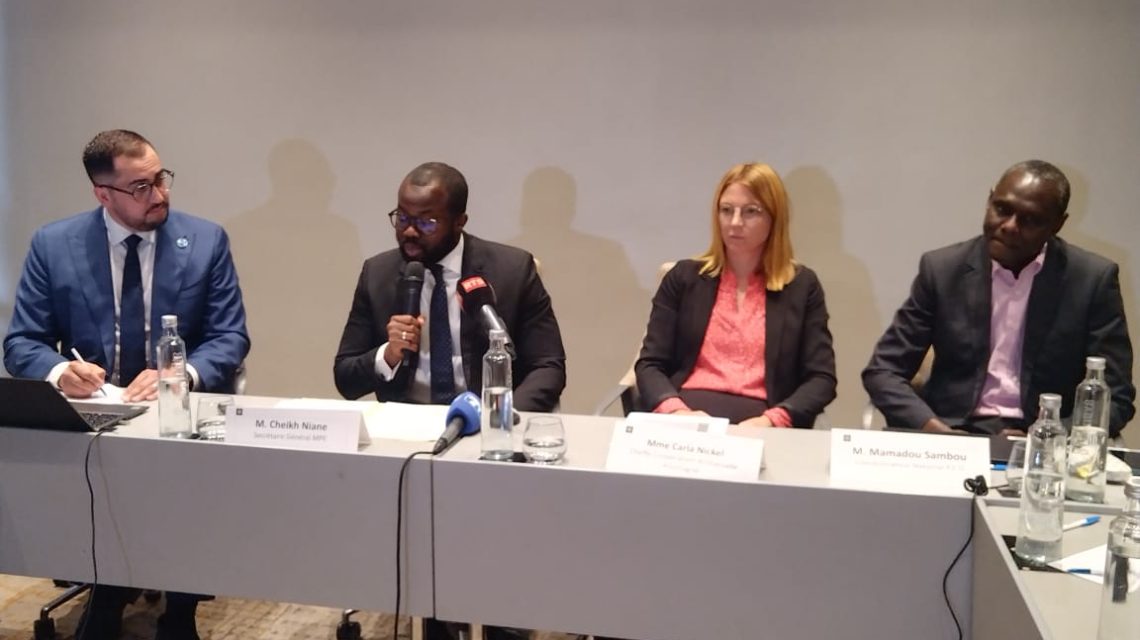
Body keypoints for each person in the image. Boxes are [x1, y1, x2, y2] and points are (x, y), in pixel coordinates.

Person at [3, 129, 250, 639]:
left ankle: (180, 609)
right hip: (100, 413)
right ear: (103, 194)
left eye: (160, 178)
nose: (158, 194)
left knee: (181, 485)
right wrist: (60, 372)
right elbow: (22, 342)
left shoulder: (206, 240)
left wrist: (179, 373)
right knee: (97, 481)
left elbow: (230, 337)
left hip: (181, 413)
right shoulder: (54, 244)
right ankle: (108, 589)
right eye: (140, 187)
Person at [863, 159, 1135, 437]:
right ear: (989, 200)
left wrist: (1051, 434)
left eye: (1030, 219)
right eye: (1002, 209)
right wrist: (934, 429)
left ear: (1057, 224)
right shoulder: (943, 270)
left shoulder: (1091, 280)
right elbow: (883, 372)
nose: (1010, 226)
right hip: (954, 432)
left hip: (1045, 441)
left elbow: (1116, 397)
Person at [334, 161, 566, 413]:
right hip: (406, 423)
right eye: (402, 218)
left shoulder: (512, 271)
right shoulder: (378, 274)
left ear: (459, 222)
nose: (409, 231)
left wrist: (502, 416)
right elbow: (345, 379)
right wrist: (388, 355)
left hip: (486, 419)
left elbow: (547, 367)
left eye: (426, 222)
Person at [634, 162, 837, 426]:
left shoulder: (801, 286)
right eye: (726, 210)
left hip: (762, 422)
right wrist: (677, 413)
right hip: (687, 419)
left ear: (774, 218)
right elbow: (649, 365)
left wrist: (772, 421)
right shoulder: (683, 278)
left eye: (751, 211)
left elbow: (821, 379)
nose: (735, 222)